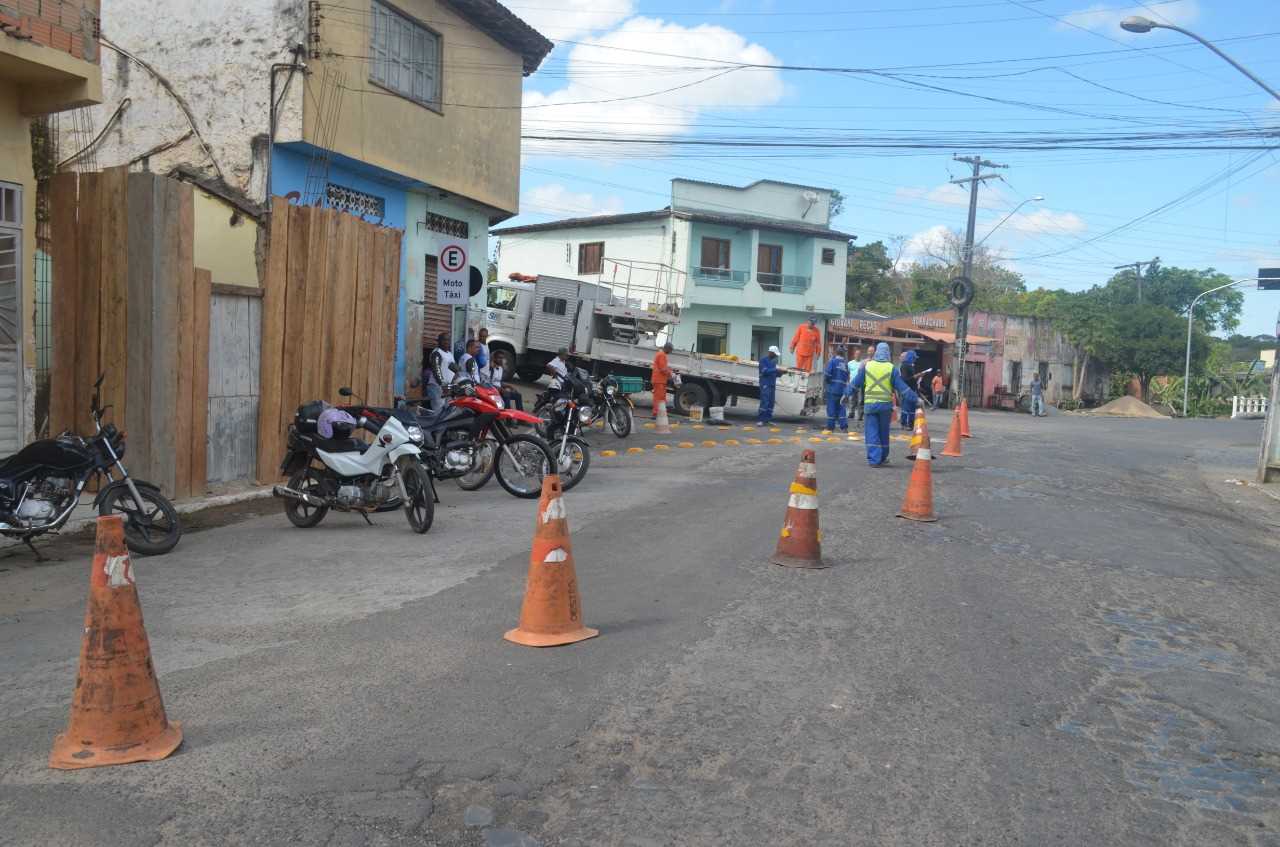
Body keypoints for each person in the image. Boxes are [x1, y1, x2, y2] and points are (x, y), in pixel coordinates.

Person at [846, 342, 917, 467]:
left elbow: (855, 383)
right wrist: (916, 399)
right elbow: (903, 388)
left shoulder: (867, 367)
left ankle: (874, 459)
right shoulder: (891, 368)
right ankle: (883, 457)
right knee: (884, 432)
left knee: (872, 432)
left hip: (870, 406)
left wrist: (845, 394)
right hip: (885, 407)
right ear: (888, 353)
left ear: (876, 352)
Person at [425, 332, 456, 412]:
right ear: (438, 341)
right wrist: (443, 385)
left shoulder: (450, 354)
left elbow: (454, 370)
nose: (446, 342)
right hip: (437, 387)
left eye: (448, 340)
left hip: (448, 388)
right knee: (438, 412)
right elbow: (436, 370)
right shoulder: (437, 353)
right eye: (444, 340)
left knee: (448, 412)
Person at [823, 344, 851, 432]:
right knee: (841, 408)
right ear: (844, 354)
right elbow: (847, 378)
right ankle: (844, 427)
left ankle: (830, 427)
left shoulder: (832, 362)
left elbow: (827, 375)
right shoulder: (846, 365)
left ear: (836, 352)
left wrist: (827, 382)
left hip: (832, 389)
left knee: (831, 408)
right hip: (842, 390)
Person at [757, 345, 781, 425]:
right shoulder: (763, 360)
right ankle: (761, 420)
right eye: (775, 354)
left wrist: (780, 373)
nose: (776, 356)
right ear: (770, 352)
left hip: (772, 384)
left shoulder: (773, 362)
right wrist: (775, 370)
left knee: (771, 402)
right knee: (765, 402)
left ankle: (767, 419)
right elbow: (764, 371)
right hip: (765, 384)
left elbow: (773, 373)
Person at [651, 342, 674, 418]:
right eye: (670, 350)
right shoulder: (661, 355)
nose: (670, 352)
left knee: (662, 398)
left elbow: (664, 367)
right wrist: (671, 374)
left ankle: (661, 413)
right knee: (658, 398)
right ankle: (656, 413)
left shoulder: (662, 354)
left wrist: (670, 371)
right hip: (659, 380)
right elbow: (663, 368)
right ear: (667, 348)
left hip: (661, 380)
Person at [898, 349, 919, 429]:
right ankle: (904, 423)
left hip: (912, 389)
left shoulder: (911, 366)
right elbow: (905, 379)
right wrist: (915, 377)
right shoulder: (904, 366)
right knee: (906, 407)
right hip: (906, 390)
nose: (915, 359)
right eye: (914, 358)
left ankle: (910, 424)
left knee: (911, 408)